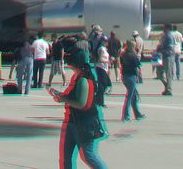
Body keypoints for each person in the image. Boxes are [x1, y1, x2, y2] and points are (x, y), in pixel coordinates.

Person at [50, 40, 107, 168]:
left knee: (88, 156)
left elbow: (81, 103)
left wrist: (62, 99)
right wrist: (61, 95)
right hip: (74, 122)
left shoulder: (83, 80)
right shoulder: (78, 77)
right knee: (66, 158)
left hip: (85, 124)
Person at [120, 40, 145, 122]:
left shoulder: (123, 54)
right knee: (130, 97)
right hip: (131, 77)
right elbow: (137, 67)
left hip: (125, 76)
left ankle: (137, 114)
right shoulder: (133, 55)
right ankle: (126, 115)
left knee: (133, 96)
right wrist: (139, 77)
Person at [156, 24, 175, 95]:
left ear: (168, 28)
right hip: (162, 56)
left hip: (168, 56)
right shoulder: (164, 36)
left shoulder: (169, 36)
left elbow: (170, 48)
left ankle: (169, 90)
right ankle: (167, 85)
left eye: (164, 28)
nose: (162, 29)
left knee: (168, 73)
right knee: (159, 73)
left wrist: (161, 49)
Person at [94, 42, 111, 107]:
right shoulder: (101, 49)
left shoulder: (105, 49)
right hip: (100, 68)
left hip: (104, 68)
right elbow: (100, 59)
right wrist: (108, 61)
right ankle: (99, 101)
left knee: (104, 85)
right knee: (103, 84)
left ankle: (98, 100)